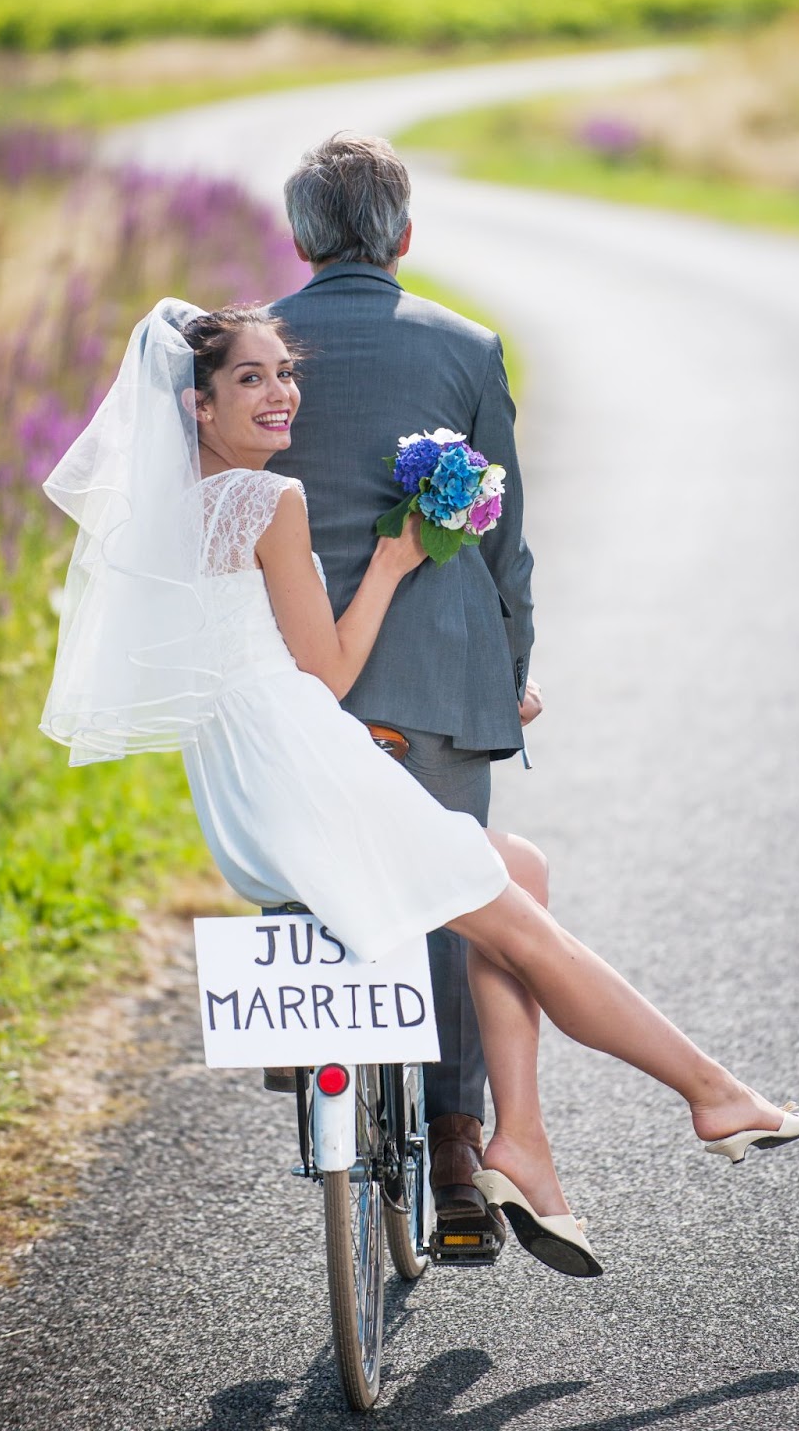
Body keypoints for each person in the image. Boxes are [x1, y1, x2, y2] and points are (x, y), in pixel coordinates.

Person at [40, 299, 799, 1281]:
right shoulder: (265, 502)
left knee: (517, 872)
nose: (281, 392)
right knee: (522, 925)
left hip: (249, 798)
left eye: (285, 372)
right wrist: (393, 565)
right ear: (195, 405)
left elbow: (238, 672)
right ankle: (710, 1095)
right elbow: (320, 671)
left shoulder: (162, 520)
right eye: (250, 378)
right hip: (309, 770)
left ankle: (522, 1140)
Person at [266, 133, 536, 1254]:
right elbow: (504, 541)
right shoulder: (465, 346)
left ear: (298, 240)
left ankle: (296, 1017)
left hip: (281, 669)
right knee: (453, 895)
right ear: (405, 237)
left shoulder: (243, 350)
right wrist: (509, 674)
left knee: (291, 842)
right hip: (433, 677)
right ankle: (461, 1146)